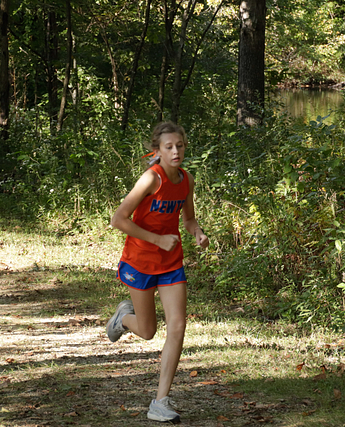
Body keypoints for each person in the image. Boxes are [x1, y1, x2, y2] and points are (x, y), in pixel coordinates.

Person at [107, 121, 209, 423]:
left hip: (171, 263)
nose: (176, 151)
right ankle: (123, 319)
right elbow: (118, 219)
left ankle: (160, 401)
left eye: (180, 146)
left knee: (177, 325)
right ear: (158, 150)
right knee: (148, 331)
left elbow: (188, 219)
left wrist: (197, 233)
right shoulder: (151, 178)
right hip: (140, 261)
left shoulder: (186, 180)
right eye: (169, 147)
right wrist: (157, 239)